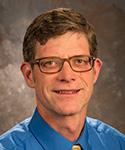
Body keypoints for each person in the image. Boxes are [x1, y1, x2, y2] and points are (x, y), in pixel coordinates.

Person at [0, 8, 124, 150]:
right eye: (50, 63)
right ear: (29, 75)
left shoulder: (118, 144)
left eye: (79, 61)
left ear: (95, 71)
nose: (67, 76)